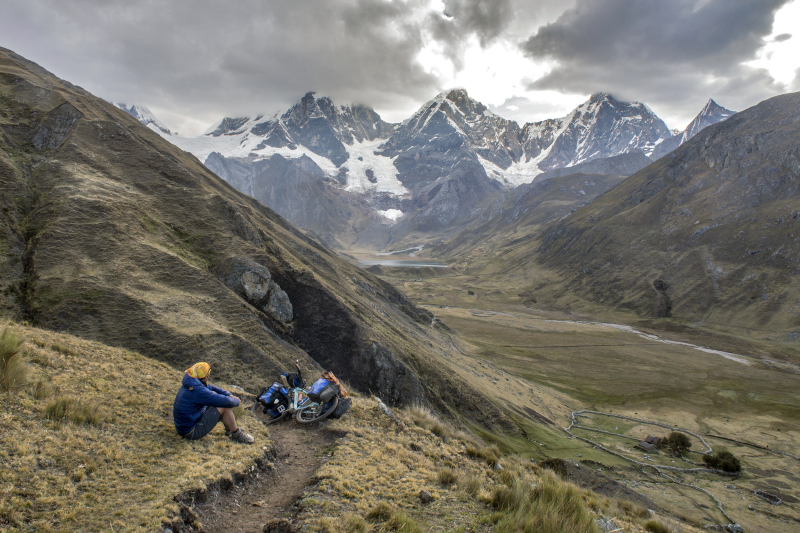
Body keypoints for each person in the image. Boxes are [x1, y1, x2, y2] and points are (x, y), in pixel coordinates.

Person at [173, 362, 254, 444]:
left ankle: (230, 428)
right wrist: (237, 401)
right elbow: (228, 402)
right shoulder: (198, 390)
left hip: (184, 425)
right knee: (224, 406)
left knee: (216, 398)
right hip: (190, 432)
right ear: (206, 376)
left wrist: (229, 394)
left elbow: (211, 387)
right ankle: (237, 434)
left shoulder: (193, 382)